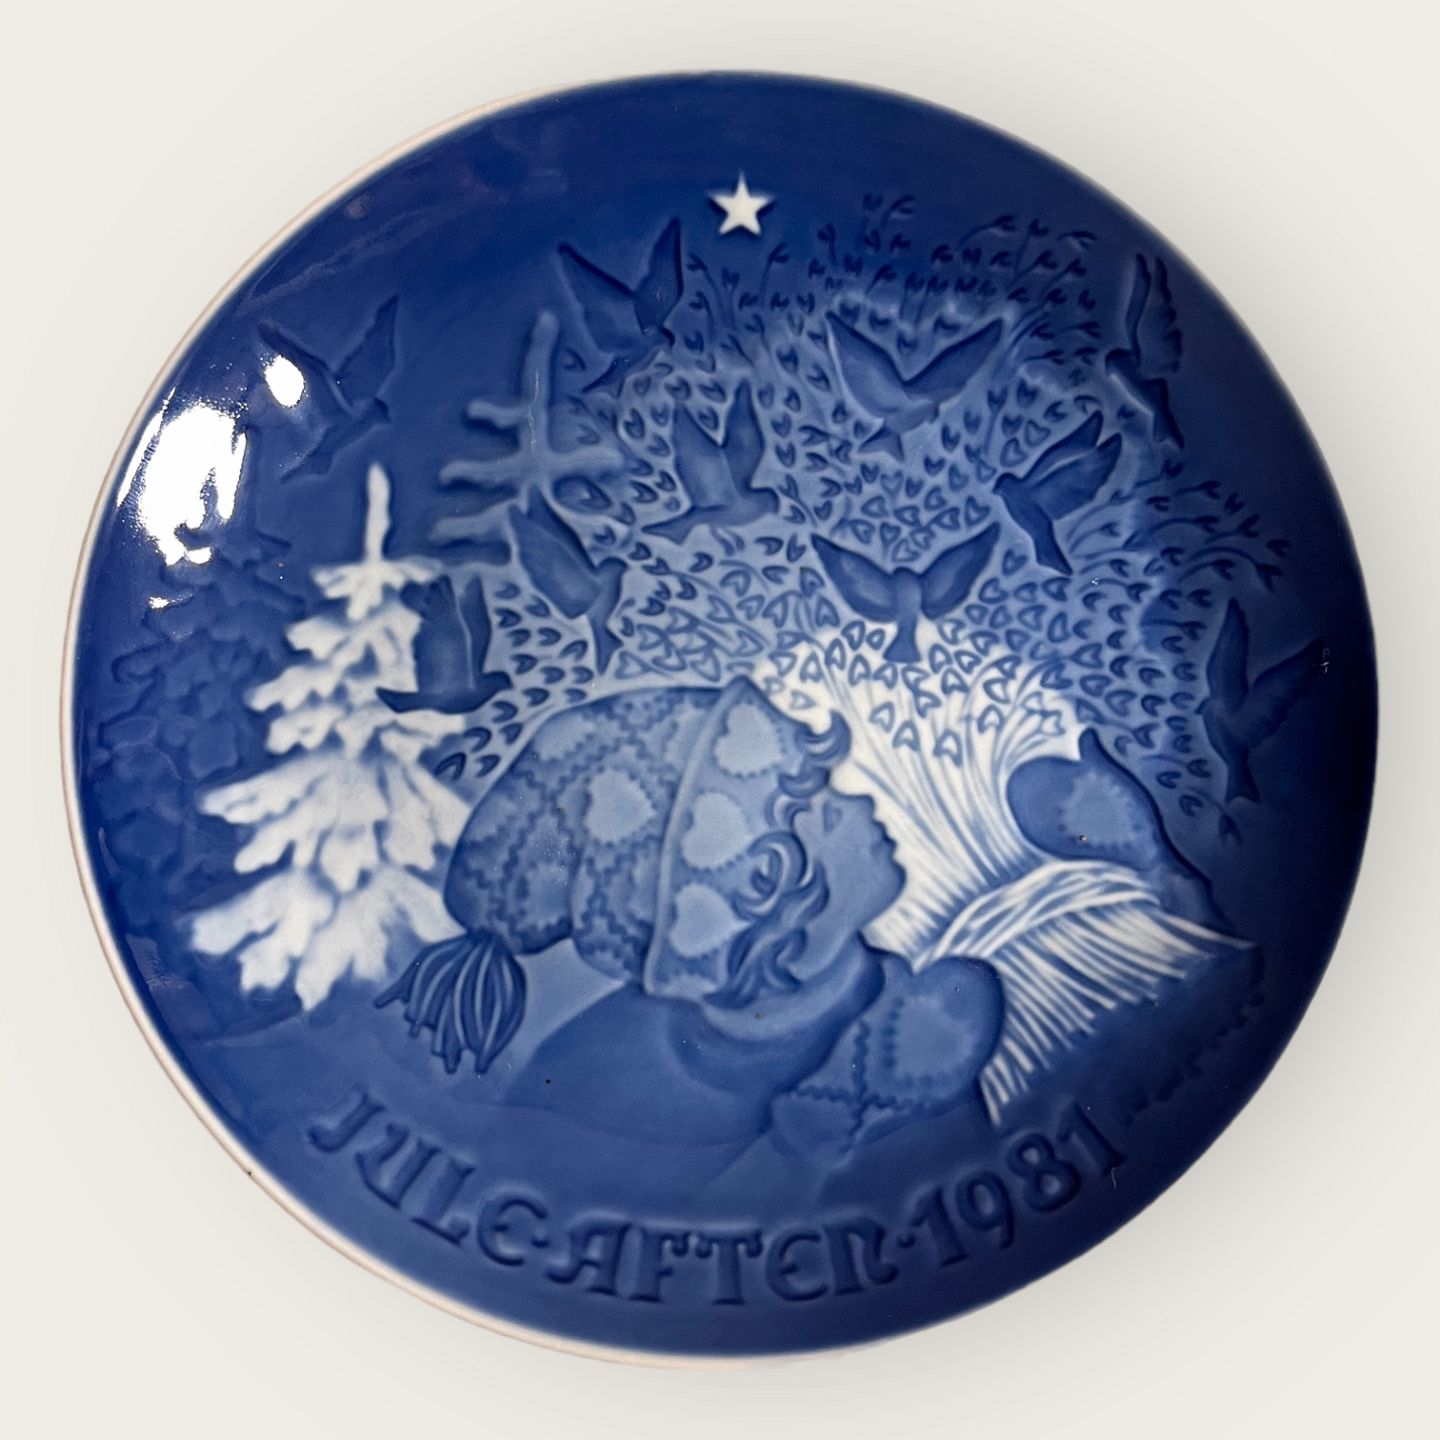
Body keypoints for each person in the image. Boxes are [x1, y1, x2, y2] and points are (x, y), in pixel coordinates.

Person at [377, 679, 1003, 1178]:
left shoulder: (894, 1004)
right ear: (765, 878)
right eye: (829, 805)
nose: (862, 801)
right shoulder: (600, 1092)